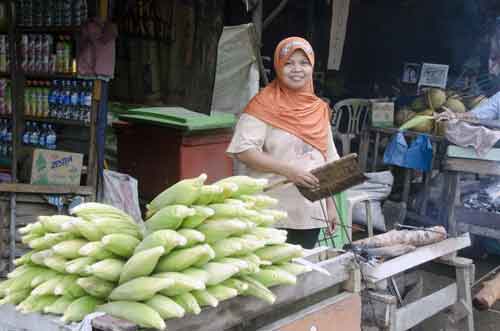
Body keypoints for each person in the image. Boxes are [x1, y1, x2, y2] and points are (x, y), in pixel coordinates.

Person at [226, 37, 339, 249]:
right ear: (278, 66)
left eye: (304, 63)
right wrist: (290, 171)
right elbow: (244, 151)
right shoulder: (263, 104)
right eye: (289, 63)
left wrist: (330, 206)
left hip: (309, 214)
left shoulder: (318, 109)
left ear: (312, 66)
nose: (297, 69)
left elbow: (328, 160)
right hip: (270, 212)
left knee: (301, 276)